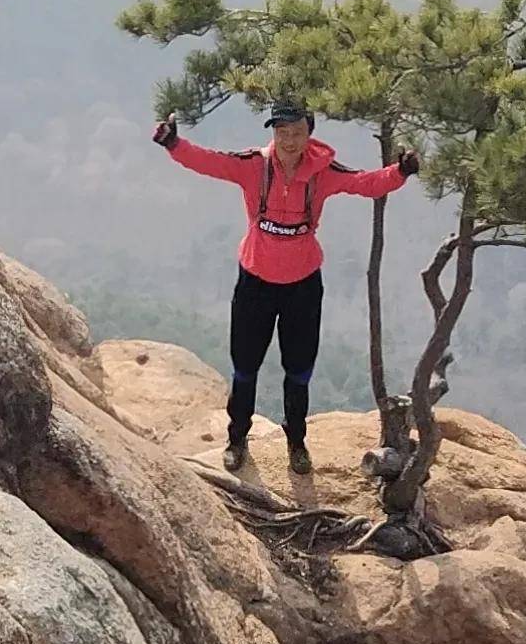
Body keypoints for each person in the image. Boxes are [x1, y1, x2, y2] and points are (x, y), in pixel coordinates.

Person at [155, 99, 420, 472]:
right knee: (245, 366)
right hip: (255, 283)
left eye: (296, 132)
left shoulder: (322, 172)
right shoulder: (254, 167)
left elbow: (364, 183)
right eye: (282, 133)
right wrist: (173, 144)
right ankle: (236, 439)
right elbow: (210, 162)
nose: (289, 140)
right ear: (273, 134)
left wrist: (401, 172)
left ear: (309, 133)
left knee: (299, 370)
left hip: (303, 286)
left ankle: (296, 442)